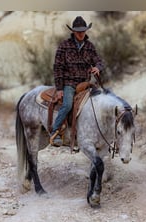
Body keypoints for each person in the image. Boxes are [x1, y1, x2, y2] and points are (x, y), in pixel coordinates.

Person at [50, 16, 104, 147]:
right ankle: (55, 131)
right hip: (70, 84)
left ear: (86, 31)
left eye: (83, 31)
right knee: (67, 105)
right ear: (73, 31)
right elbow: (58, 67)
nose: (81, 33)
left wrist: (97, 67)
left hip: (86, 84)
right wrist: (60, 88)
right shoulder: (64, 46)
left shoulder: (90, 47)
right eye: (78, 31)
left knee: (102, 102)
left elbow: (99, 61)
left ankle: (101, 133)